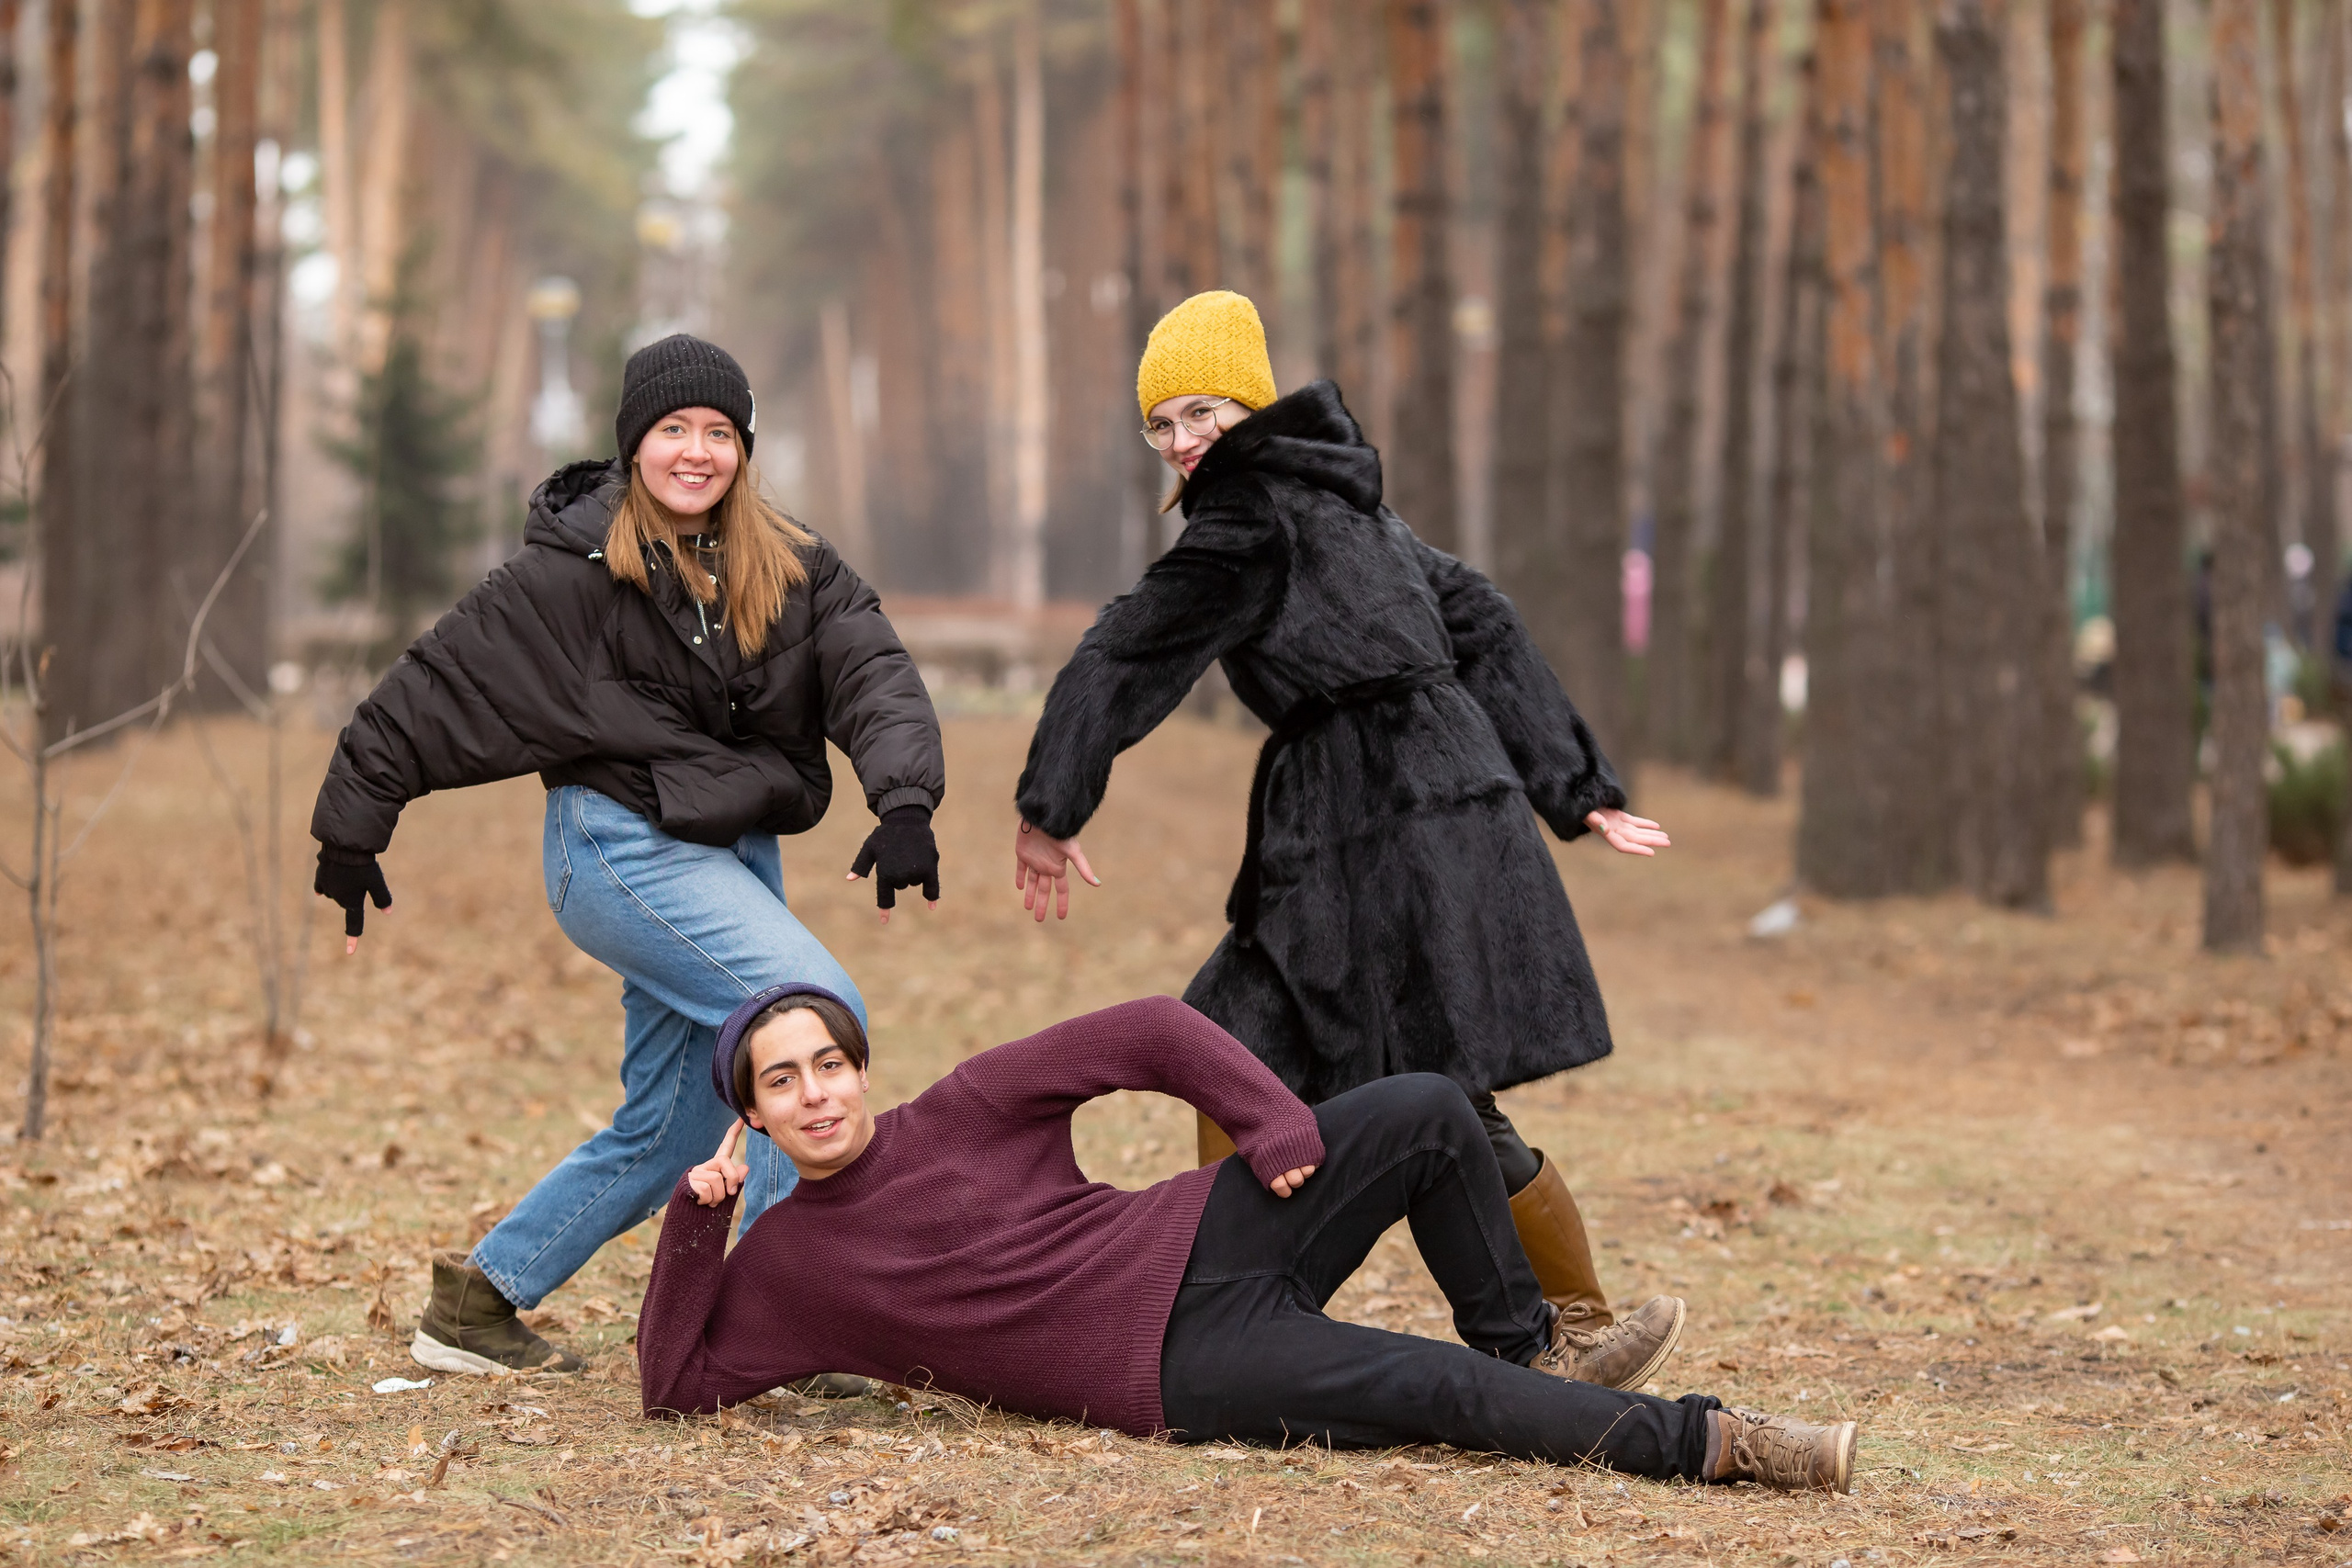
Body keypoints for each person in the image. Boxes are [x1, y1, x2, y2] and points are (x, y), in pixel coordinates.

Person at [1009, 290, 1678, 1387]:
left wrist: (1050, 806)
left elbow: (1127, 649)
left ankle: (1550, 1335)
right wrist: (1570, 784)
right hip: (1423, 808)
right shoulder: (1343, 499)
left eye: (1202, 412)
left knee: (1392, 1070)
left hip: (1373, 822)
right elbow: (1482, 616)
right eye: (1160, 423)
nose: (1180, 440)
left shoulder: (1248, 512)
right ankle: (1234, 1308)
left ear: (1251, 407)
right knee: (1245, 1040)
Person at [309, 334, 945, 1376]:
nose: (696, 451)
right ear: (633, 443)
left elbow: (871, 668)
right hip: (618, 847)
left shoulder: (789, 562)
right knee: (805, 1015)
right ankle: (787, 1316)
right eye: (672, 429)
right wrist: (351, 827)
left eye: (718, 432)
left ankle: (479, 1302)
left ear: (743, 448)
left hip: (731, 849)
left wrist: (905, 799)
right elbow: (435, 688)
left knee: (674, 1126)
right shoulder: (568, 572)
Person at [637, 987, 1857, 1494]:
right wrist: (700, 1219)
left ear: (860, 1067)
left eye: (830, 1063)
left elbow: (1150, 1028)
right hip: (1176, 1366)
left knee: (1429, 1108)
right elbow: (675, 1384)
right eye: (783, 1081)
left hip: (1199, 1228)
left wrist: (1269, 1117)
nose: (817, 1093)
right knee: (1434, 1391)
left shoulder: (965, 1104)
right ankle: (1719, 1440)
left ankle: (1528, 1341)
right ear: (753, 1114)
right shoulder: (789, 1266)